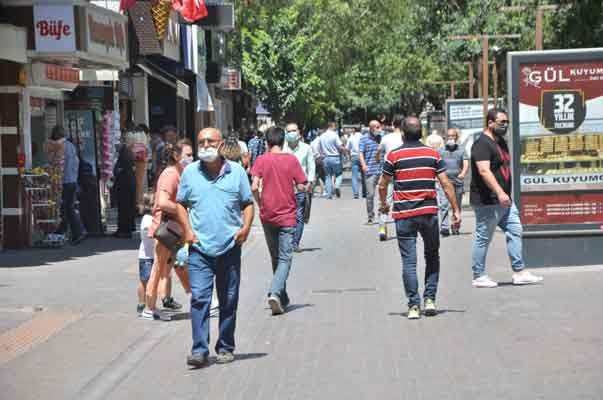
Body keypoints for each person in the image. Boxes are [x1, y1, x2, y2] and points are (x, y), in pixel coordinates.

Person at [177, 127, 254, 367]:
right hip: (200, 249)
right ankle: (199, 349)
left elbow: (248, 204)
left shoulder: (237, 172)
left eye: (211, 140)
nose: (206, 145)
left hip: (229, 247)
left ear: (221, 144)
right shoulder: (190, 173)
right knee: (199, 298)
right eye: (201, 141)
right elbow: (180, 204)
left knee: (229, 298)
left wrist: (246, 227)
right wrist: (188, 231)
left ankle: (225, 346)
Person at [378, 117, 461, 320]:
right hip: (428, 214)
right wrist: (455, 209)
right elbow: (445, 183)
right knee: (432, 256)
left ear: (403, 134)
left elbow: (383, 184)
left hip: (404, 215)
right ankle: (430, 299)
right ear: (421, 133)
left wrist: (383, 204)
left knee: (409, 262)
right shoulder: (432, 154)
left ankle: (414, 305)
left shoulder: (394, 156)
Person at [470, 108, 543, 288]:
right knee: (483, 237)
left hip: (504, 201)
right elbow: (484, 171)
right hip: (488, 201)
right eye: (502, 122)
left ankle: (519, 272)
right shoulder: (481, 144)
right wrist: (500, 192)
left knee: (515, 230)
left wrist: (505, 195)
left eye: (507, 123)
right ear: (490, 123)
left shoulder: (500, 141)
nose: (505, 126)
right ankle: (478, 275)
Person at [251, 127, 307, 315]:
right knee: (285, 258)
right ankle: (275, 292)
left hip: (267, 215)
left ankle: (282, 297)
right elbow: (301, 185)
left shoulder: (261, 160)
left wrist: (260, 203)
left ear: (267, 142)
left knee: (276, 257)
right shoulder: (291, 160)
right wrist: (298, 189)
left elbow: (254, 186)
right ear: (283, 141)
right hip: (287, 216)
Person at [142, 139, 193, 321]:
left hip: (174, 228)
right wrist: (182, 208)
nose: (191, 158)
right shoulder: (171, 174)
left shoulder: (182, 173)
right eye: (187, 155)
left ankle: (199, 299)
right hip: (166, 229)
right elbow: (162, 202)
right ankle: (149, 307)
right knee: (159, 267)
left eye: (191, 155)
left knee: (174, 266)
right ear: (176, 156)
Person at [284, 122, 315, 252]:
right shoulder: (282, 149)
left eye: (294, 130)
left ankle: (295, 242)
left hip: (301, 187)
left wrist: (310, 182)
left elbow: (311, 166)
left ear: (298, 132)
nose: (292, 133)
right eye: (289, 131)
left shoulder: (306, 148)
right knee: (286, 215)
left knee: (299, 215)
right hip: (285, 187)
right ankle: (287, 240)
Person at [53, 125, 86, 244]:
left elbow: (59, 164)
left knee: (68, 207)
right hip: (73, 180)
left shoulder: (60, 146)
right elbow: (75, 162)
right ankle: (61, 230)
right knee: (66, 207)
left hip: (66, 180)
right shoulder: (71, 146)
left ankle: (79, 231)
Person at [375, 115, 405, 240]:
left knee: (384, 199)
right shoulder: (406, 137)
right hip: (403, 171)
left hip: (388, 171)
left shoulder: (386, 138)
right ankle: (403, 227)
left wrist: (378, 159)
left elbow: (378, 152)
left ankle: (382, 226)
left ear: (393, 124)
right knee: (402, 198)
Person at [438, 128, 469, 236]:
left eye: (453, 136)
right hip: (444, 182)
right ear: (445, 138)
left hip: (457, 181)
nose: (451, 138)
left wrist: (463, 173)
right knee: (444, 204)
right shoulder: (441, 150)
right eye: (449, 136)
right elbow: (437, 164)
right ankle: (444, 227)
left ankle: (455, 226)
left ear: (456, 137)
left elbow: (465, 162)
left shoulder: (462, 150)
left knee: (457, 205)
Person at [359, 120, 384, 226]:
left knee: (383, 194)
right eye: (377, 127)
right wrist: (363, 165)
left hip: (382, 170)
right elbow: (360, 153)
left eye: (379, 127)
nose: (379, 129)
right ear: (371, 128)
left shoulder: (382, 138)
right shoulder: (364, 138)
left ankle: (382, 215)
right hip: (370, 170)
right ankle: (370, 216)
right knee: (370, 195)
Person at [113, 143, 137, 239]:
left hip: (124, 188)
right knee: (127, 208)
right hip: (128, 187)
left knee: (124, 209)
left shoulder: (124, 161)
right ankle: (126, 228)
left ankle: (124, 230)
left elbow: (118, 172)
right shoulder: (129, 160)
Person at [319, 122, 347, 199]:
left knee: (327, 176)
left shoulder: (322, 136)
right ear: (332, 126)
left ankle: (328, 194)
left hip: (326, 158)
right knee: (339, 174)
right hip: (335, 157)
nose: (335, 128)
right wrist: (345, 154)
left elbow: (320, 148)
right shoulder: (334, 135)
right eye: (335, 126)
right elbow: (341, 147)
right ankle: (337, 186)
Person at [137, 193, 155, 316]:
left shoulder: (150, 218)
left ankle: (145, 304)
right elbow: (149, 233)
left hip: (149, 254)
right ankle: (144, 304)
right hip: (146, 256)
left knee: (147, 280)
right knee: (146, 281)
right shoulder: (147, 219)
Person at [346, 127, 363, 199]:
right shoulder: (363, 137)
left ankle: (356, 193)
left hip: (354, 156)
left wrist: (348, 157)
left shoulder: (351, 137)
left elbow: (347, 148)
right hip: (362, 156)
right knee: (364, 175)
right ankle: (365, 192)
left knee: (354, 176)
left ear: (354, 130)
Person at [310, 130, 326, 196]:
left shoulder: (312, 142)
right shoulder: (321, 141)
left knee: (316, 176)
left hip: (314, 159)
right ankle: (324, 191)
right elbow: (322, 151)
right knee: (322, 176)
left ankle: (311, 190)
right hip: (321, 159)